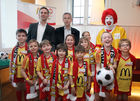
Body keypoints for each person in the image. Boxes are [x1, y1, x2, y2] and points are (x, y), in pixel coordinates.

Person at [94, 32, 118, 101]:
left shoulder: (115, 51)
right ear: (101, 41)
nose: (107, 39)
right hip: (99, 78)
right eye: (105, 38)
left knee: (107, 97)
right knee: (97, 97)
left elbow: (115, 65)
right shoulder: (98, 52)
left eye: (109, 37)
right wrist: (101, 74)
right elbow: (97, 66)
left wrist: (112, 67)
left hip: (109, 77)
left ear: (112, 39)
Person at [9, 28, 28, 101]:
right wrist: (10, 73)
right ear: (16, 37)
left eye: (23, 36)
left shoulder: (28, 48)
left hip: (26, 73)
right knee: (18, 90)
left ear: (26, 37)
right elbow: (11, 62)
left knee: (26, 90)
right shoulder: (14, 49)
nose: (21, 37)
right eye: (19, 35)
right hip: (17, 73)